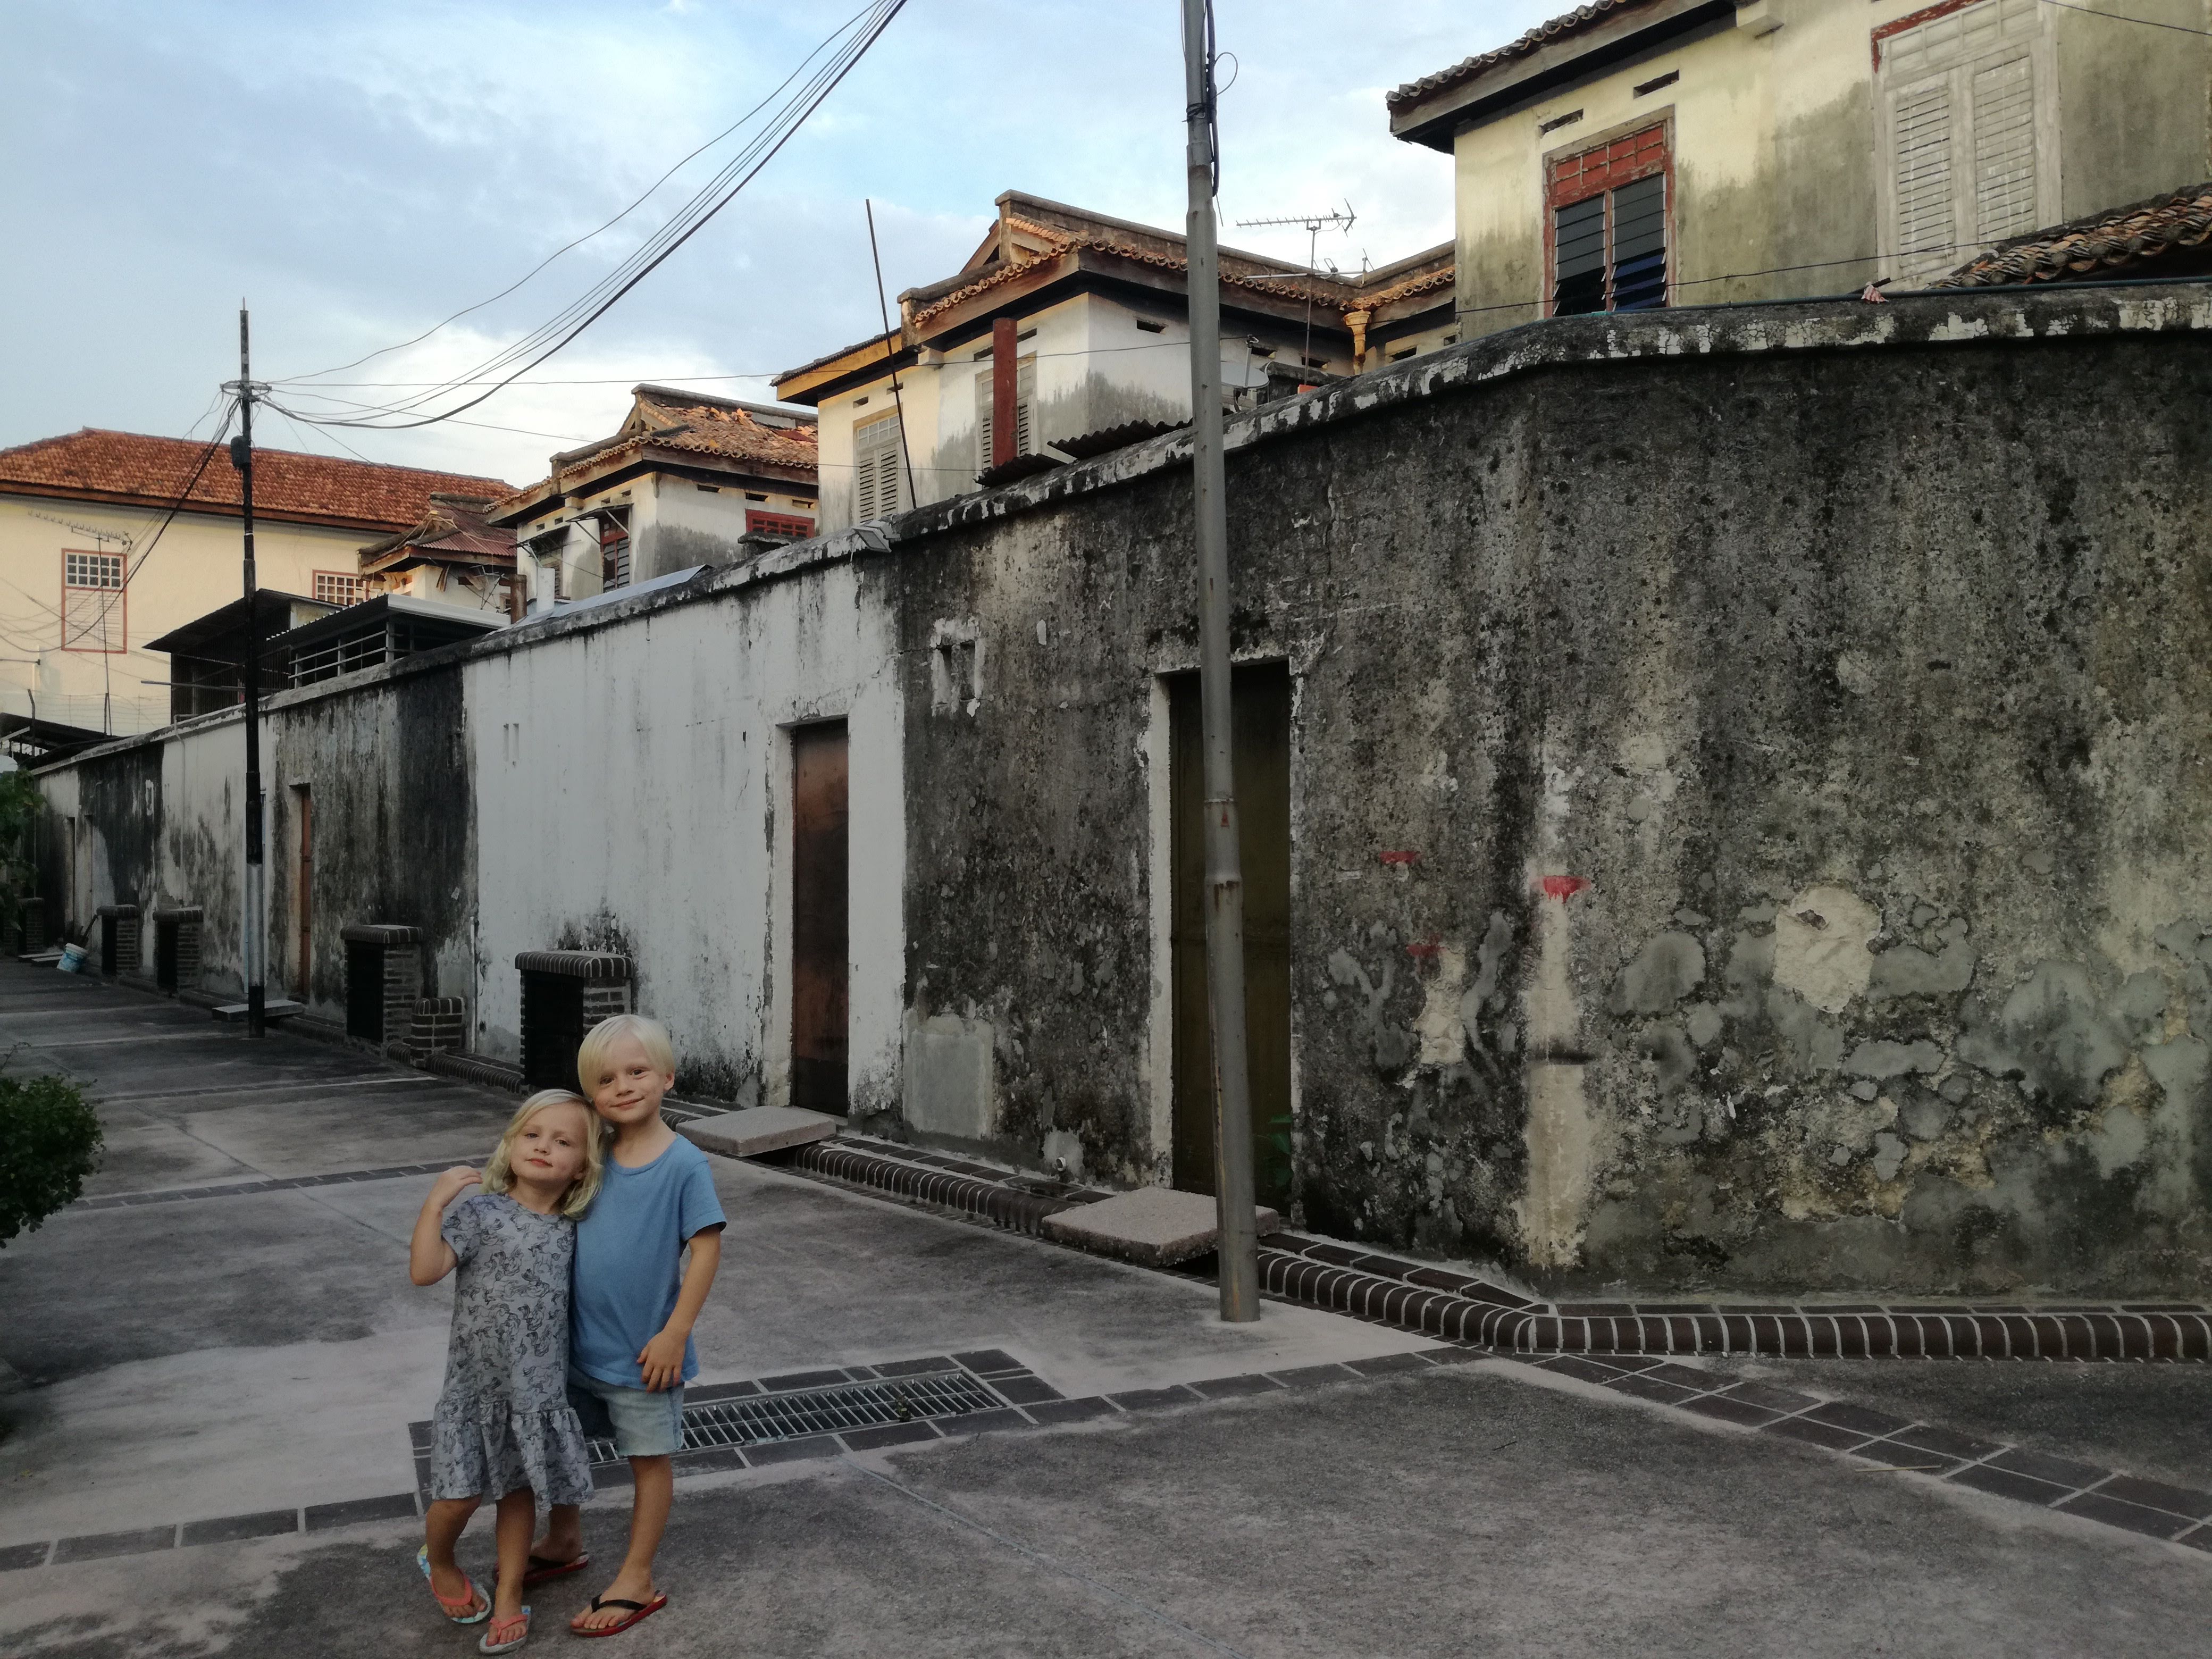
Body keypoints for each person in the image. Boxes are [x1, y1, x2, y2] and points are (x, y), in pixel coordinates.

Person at [532, 1013, 725, 1638]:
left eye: (637, 1072)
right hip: (575, 1348)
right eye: (606, 1078)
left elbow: (705, 1250)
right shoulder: (591, 1155)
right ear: (592, 1095)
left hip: (645, 1355)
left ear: (666, 1077)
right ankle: (563, 1538)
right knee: (565, 1443)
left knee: (648, 1460)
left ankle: (636, 1577)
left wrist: (675, 1332)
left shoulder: (684, 1165)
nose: (623, 1086)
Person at [409, 1090, 603, 1655]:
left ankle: (512, 1591)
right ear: (511, 1143)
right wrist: (434, 1205)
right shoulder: (480, 1212)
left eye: (562, 1141)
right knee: (458, 1497)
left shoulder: (574, 1227)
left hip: (535, 1391)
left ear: (582, 1166)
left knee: (518, 1494)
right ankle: (438, 1558)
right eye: (533, 1134)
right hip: (476, 1389)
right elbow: (425, 1272)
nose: (544, 1147)